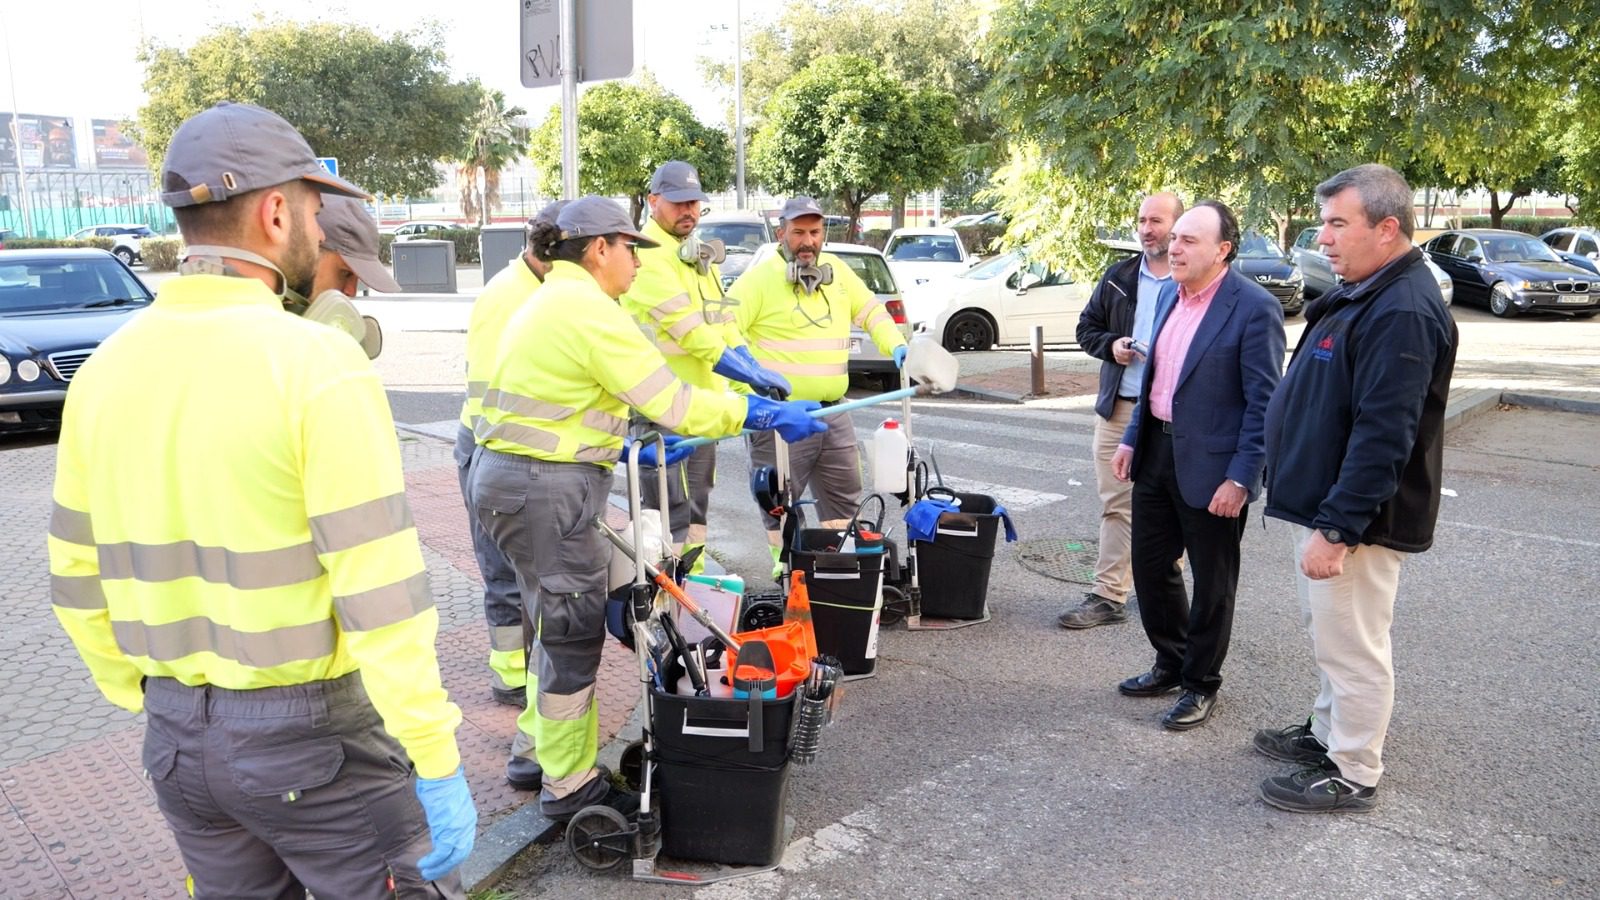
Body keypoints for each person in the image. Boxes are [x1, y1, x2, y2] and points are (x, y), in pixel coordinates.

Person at [47, 102, 474, 899]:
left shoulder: (104, 369)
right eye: (314, 208)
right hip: (314, 747)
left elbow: (74, 576)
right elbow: (383, 597)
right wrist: (436, 752)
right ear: (277, 211)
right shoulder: (315, 362)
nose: (317, 226)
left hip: (177, 742)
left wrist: (148, 693)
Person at [470, 195, 827, 820]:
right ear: (598, 248)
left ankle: (537, 755)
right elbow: (671, 398)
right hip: (545, 487)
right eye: (629, 247)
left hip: (525, 483)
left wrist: (642, 435)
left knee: (553, 625)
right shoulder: (586, 309)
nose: (636, 261)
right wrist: (756, 412)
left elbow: (591, 395)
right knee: (574, 630)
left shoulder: (557, 299)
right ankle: (568, 784)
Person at [1255, 164, 1457, 813]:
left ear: (1387, 227)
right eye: (1325, 222)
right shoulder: (1366, 290)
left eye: (1339, 223)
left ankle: (1353, 770)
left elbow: (1384, 434)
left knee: (1353, 646)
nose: (1325, 237)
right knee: (1329, 635)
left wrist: (1338, 527)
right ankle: (1326, 734)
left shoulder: (1401, 309)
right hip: (1325, 508)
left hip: (1355, 522)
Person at [1111, 200, 1285, 731]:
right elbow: (1156, 383)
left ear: (1223, 250)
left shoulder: (1253, 307)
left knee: (1214, 583)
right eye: (1176, 237)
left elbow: (1264, 403)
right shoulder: (1167, 293)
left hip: (1215, 467)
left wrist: (1241, 477)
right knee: (1149, 567)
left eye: (1189, 239)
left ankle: (1199, 683)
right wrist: (1132, 439)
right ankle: (1170, 661)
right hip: (1156, 452)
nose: (1175, 247)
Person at [621, 161, 790, 566]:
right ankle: (668, 610)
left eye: (695, 202)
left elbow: (722, 322)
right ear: (653, 201)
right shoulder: (648, 258)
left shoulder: (695, 254)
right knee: (668, 519)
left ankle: (691, 600)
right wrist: (749, 375)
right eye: (678, 203)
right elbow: (694, 335)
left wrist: (751, 369)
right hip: (663, 411)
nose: (689, 211)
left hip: (701, 409)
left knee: (695, 517)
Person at [730, 196, 909, 575]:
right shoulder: (758, 280)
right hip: (782, 418)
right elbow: (725, 334)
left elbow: (872, 311)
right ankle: (787, 575)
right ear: (782, 234)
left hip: (834, 410)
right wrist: (751, 395)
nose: (807, 241)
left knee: (844, 498)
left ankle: (838, 572)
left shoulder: (838, 272)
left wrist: (896, 345)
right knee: (777, 501)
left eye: (814, 232)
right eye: (798, 232)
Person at [452, 201, 566, 794]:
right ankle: (511, 677)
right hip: (491, 447)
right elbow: (509, 395)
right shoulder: (510, 298)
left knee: (520, 579)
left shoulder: (539, 291)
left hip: (500, 445)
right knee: (505, 576)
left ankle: (517, 675)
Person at [1059, 192, 1181, 629]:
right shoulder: (1120, 277)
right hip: (1119, 411)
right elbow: (1085, 328)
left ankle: (1166, 590)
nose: (1148, 229)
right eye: (1142, 220)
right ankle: (1108, 595)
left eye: (1158, 220)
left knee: (1173, 505)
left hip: (1172, 416)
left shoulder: (1193, 281)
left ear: (1178, 226)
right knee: (1116, 504)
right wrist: (1111, 345)